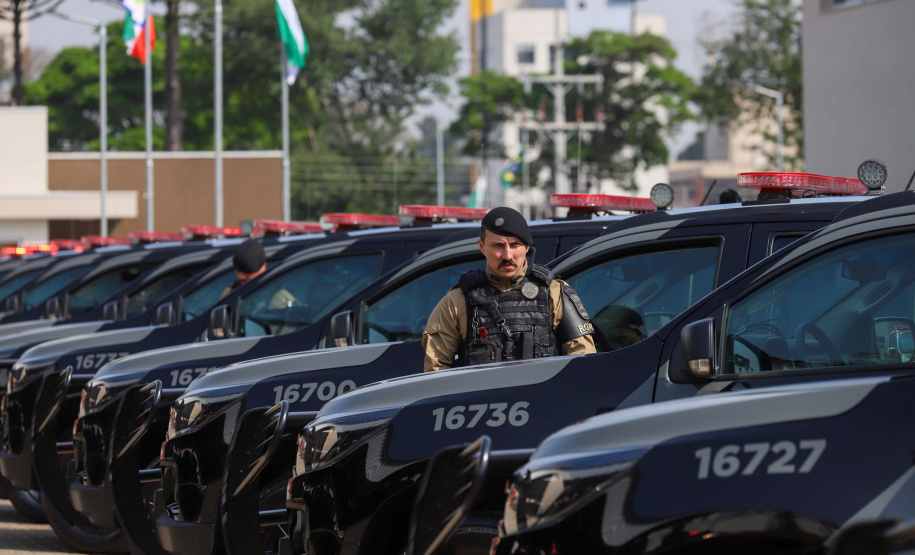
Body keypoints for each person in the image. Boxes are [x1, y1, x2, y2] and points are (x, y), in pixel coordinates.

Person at [422, 207, 596, 372]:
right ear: (482, 247)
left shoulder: (554, 292)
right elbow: (436, 370)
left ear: (526, 247)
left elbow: (582, 364)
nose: (507, 255)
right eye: (498, 245)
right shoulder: (458, 300)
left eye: (515, 244)